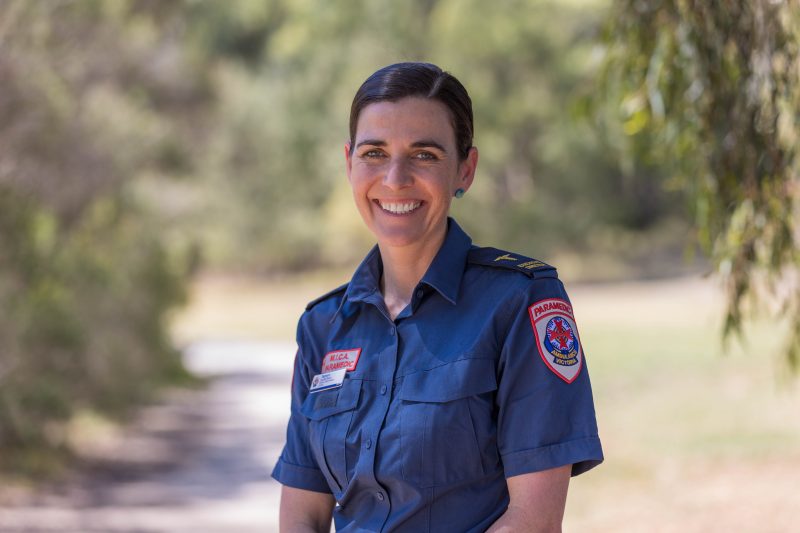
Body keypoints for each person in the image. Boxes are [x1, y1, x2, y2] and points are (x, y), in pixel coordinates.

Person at [272, 62, 603, 532]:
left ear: (465, 169)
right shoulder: (324, 325)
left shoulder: (520, 302)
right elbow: (303, 513)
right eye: (374, 153)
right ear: (349, 163)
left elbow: (534, 520)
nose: (394, 177)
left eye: (424, 154)